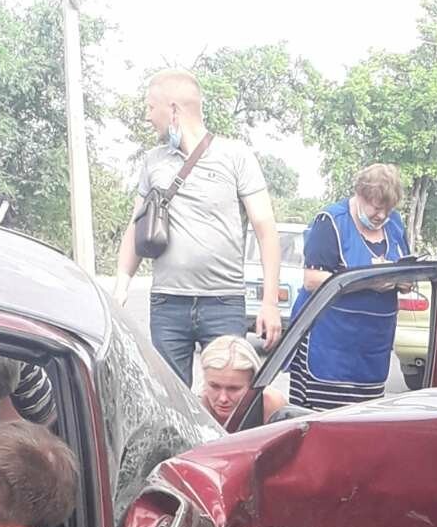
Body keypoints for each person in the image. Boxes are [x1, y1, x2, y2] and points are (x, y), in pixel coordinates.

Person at [114, 69, 283, 386]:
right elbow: (135, 228)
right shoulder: (153, 161)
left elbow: (265, 229)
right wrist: (121, 286)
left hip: (223, 301)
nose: (148, 117)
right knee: (169, 403)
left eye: (151, 107)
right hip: (167, 302)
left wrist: (270, 303)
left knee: (228, 398)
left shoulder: (236, 155)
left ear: (173, 108)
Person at [288, 164, 409, 409]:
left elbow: (404, 267)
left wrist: (404, 280)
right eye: (376, 207)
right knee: (323, 422)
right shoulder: (331, 221)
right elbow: (312, 280)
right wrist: (369, 282)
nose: (382, 215)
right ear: (360, 195)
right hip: (329, 345)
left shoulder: (394, 225)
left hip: (373, 347)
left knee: (364, 422)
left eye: (388, 209)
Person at [200, 335, 287, 427]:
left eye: (233, 389)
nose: (223, 399)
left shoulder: (269, 404)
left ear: (253, 384)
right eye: (215, 387)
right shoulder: (199, 406)